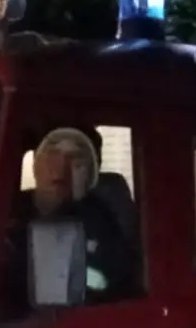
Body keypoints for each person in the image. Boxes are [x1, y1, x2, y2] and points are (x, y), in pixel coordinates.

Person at [8, 127, 138, 305]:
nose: (61, 168)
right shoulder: (10, 209)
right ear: (36, 164)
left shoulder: (100, 218)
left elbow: (117, 285)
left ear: (90, 173)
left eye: (76, 160)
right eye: (53, 155)